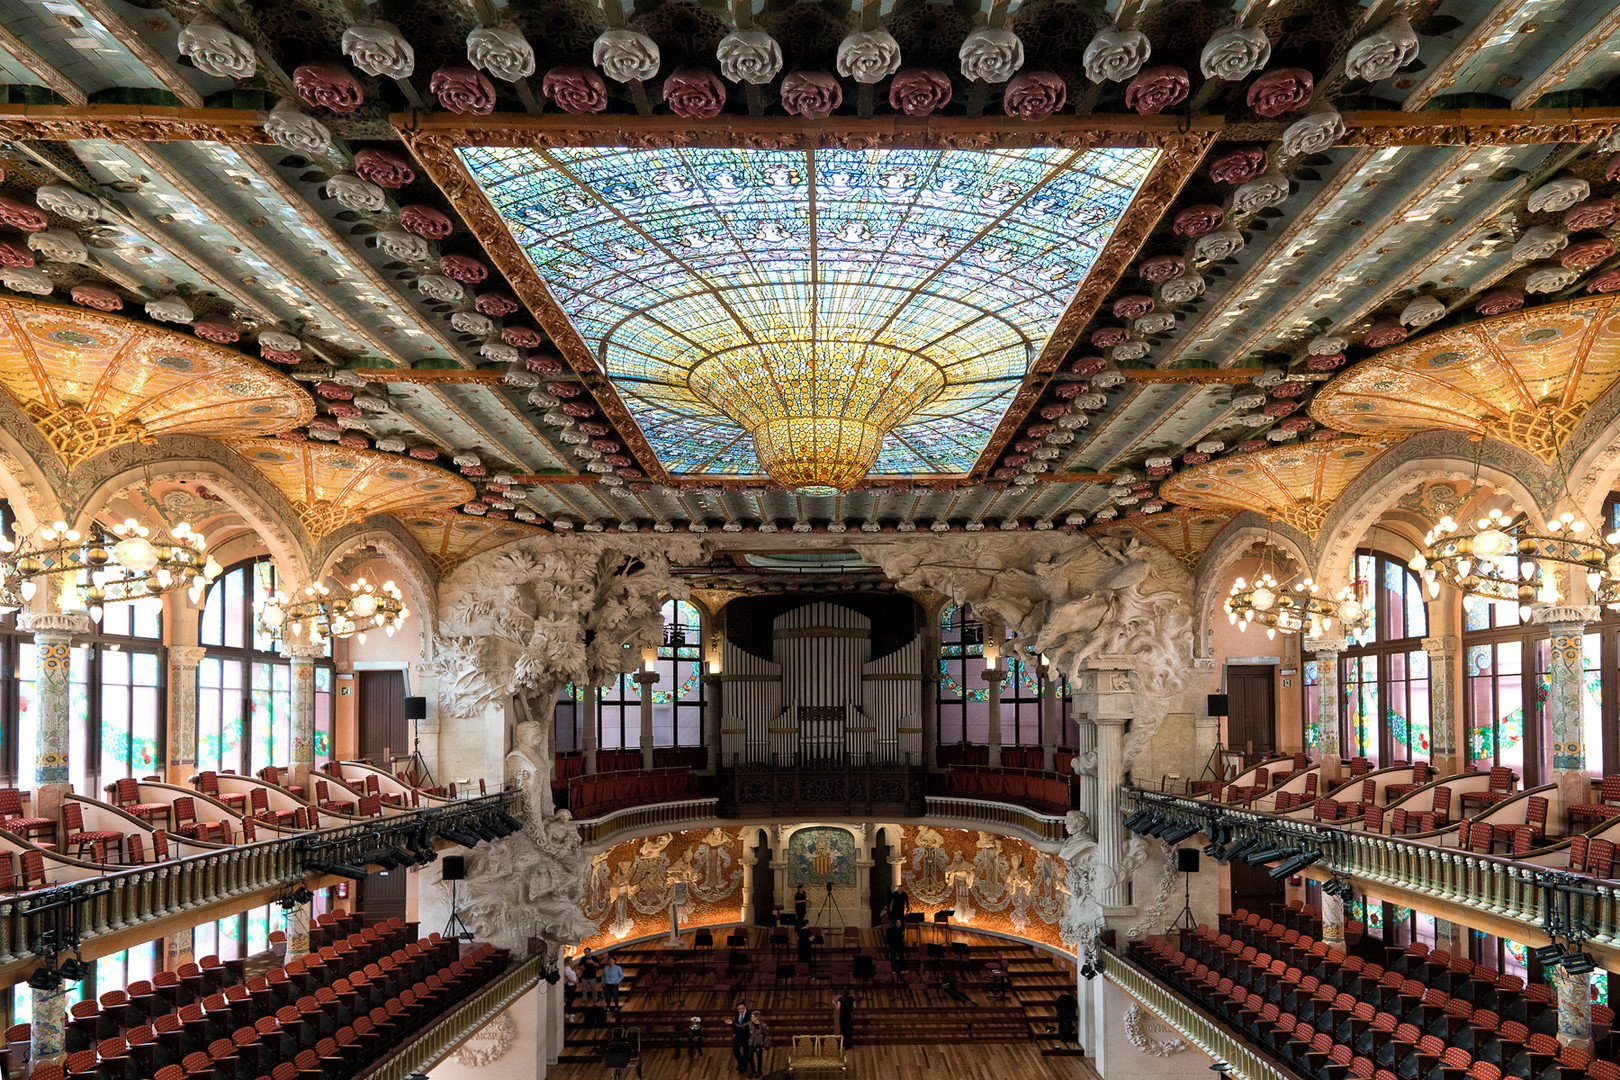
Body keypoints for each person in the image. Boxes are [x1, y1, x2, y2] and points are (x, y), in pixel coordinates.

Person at [731, 1000, 753, 1073]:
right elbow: (735, 1024)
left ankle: (744, 1067)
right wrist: (734, 1032)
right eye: (739, 1009)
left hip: (746, 1036)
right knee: (735, 1050)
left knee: (745, 1052)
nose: (741, 1010)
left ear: (745, 1007)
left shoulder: (749, 1014)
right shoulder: (737, 1014)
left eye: (742, 1008)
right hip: (738, 1035)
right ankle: (741, 1062)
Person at [747, 1012, 772, 1077]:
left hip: (759, 1044)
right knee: (749, 1057)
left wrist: (764, 1045)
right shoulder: (750, 1024)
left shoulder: (763, 1025)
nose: (751, 1018)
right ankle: (753, 1071)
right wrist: (732, 1024)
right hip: (752, 1043)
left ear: (756, 1017)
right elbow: (742, 1026)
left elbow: (766, 1035)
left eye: (752, 1017)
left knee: (759, 1058)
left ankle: (759, 1072)